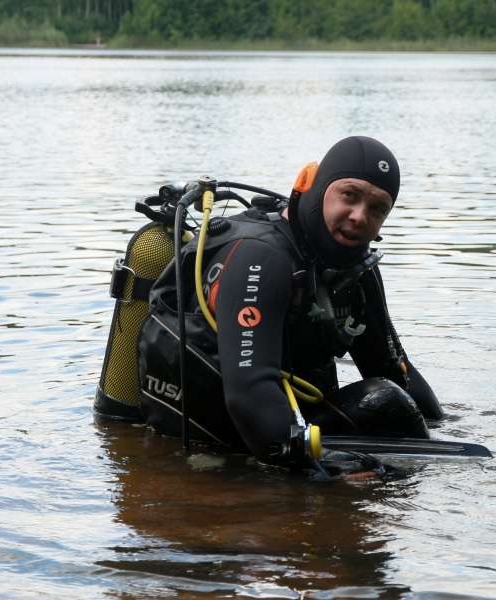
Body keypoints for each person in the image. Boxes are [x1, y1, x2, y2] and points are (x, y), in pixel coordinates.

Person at [136, 136, 443, 466]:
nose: (358, 216)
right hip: (228, 426)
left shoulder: (355, 270)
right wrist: (322, 467)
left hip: (287, 417)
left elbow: (393, 368)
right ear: (315, 187)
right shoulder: (261, 257)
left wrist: (447, 432)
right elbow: (248, 392)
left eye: (377, 208)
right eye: (349, 196)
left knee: (393, 407)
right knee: (383, 404)